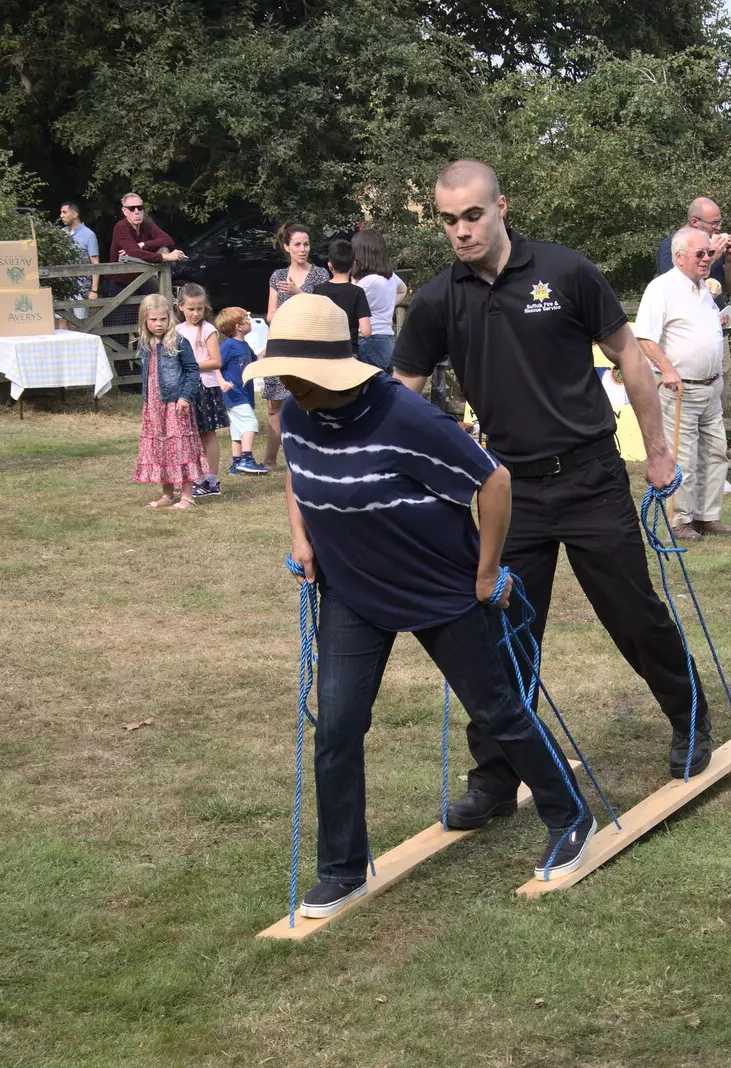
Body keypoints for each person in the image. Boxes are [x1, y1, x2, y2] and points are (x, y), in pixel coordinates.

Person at [392, 159, 715, 830]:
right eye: (449, 220)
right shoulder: (435, 302)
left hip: (592, 475)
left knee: (632, 614)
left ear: (501, 206)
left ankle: (689, 719)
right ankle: (494, 777)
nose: (461, 230)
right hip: (511, 491)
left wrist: (657, 453)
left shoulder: (564, 273)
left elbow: (629, 355)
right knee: (505, 636)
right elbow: (403, 398)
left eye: (472, 215)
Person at [247, 293, 593, 916]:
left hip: (441, 591)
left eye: (298, 375)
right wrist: (302, 539)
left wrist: (486, 573)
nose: (288, 387)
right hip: (351, 594)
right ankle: (343, 868)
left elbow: (495, 482)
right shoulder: (296, 414)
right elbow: (299, 471)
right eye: (284, 375)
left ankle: (569, 816)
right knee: (338, 727)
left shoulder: (404, 417)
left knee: (500, 713)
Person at [635, 227, 731, 541]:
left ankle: (707, 515)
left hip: (710, 386)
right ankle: (679, 519)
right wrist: (667, 369)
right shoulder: (661, 288)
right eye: (701, 254)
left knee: (716, 453)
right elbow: (644, 336)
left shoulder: (705, 288)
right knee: (682, 455)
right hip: (680, 388)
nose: (708, 258)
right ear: (679, 257)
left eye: (710, 253)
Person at [263, 223, 330, 469]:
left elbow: (323, 310)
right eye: (298, 245)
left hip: (310, 348)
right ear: (287, 247)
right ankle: (269, 460)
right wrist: (287, 309)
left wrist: (297, 292)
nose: (303, 249)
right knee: (275, 404)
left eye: (306, 244)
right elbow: (270, 315)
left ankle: (308, 455)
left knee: (308, 403)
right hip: (282, 343)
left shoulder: (321, 274)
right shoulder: (278, 276)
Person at [133, 293, 208, 510]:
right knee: (160, 448)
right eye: (153, 320)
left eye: (163, 319)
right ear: (145, 321)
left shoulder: (178, 341)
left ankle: (187, 496)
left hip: (176, 404)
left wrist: (185, 397)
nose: (158, 324)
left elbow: (192, 370)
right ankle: (167, 494)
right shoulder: (146, 344)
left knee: (181, 447)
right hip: (154, 406)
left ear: (170, 318)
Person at [175, 284, 226, 498]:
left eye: (200, 309)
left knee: (207, 434)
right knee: (188, 436)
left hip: (205, 387)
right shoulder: (176, 331)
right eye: (191, 309)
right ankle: (193, 479)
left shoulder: (208, 330)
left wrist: (190, 364)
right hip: (185, 389)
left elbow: (216, 361)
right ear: (181, 308)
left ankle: (211, 480)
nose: (196, 313)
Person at [104, 193, 184, 326]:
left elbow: (168, 240)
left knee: (148, 319)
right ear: (124, 211)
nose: (137, 211)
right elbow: (135, 253)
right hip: (118, 283)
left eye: (140, 208)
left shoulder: (147, 224)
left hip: (141, 279)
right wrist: (165, 257)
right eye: (132, 208)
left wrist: (143, 244)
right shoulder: (121, 227)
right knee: (119, 326)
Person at [654, 197, 731, 308]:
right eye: (714, 223)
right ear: (694, 222)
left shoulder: (712, 243)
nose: (719, 228)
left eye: (720, 222)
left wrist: (730, 261)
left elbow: (729, 288)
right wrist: (711, 257)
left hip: (715, 318)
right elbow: (675, 287)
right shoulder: (673, 246)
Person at [215, 306, 268, 475]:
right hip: (233, 394)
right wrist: (222, 382)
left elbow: (255, 361)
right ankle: (247, 459)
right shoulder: (228, 346)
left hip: (243, 394)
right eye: (246, 319)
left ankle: (236, 464)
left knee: (237, 430)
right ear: (238, 326)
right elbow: (216, 365)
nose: (250, 321)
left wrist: (272, 344)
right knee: (250, 424)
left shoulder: (244, 345)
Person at [352, 228, 407, 371]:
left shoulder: (367, 282)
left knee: (371, 388)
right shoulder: (390, 277)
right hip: (386, 339)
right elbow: (403, 290)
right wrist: (388, 305)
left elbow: (349, 300)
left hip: (369, 340)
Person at [320, 238, 374, 356]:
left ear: (330, 265)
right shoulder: (357, 292)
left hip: (323, 353)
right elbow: (366, 331)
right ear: (353, 265)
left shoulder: (318, 290)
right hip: (348, 352)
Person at [59, 201, 100, 315]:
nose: (61, 215)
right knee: (62, 319)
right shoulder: (61, 233)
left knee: (81, 321)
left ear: (75, 214)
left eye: (64, 212)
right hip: (62, 284)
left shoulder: (89, 235)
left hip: (80, 287)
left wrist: (94, 290)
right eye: (61, 212)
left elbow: (95, 262)